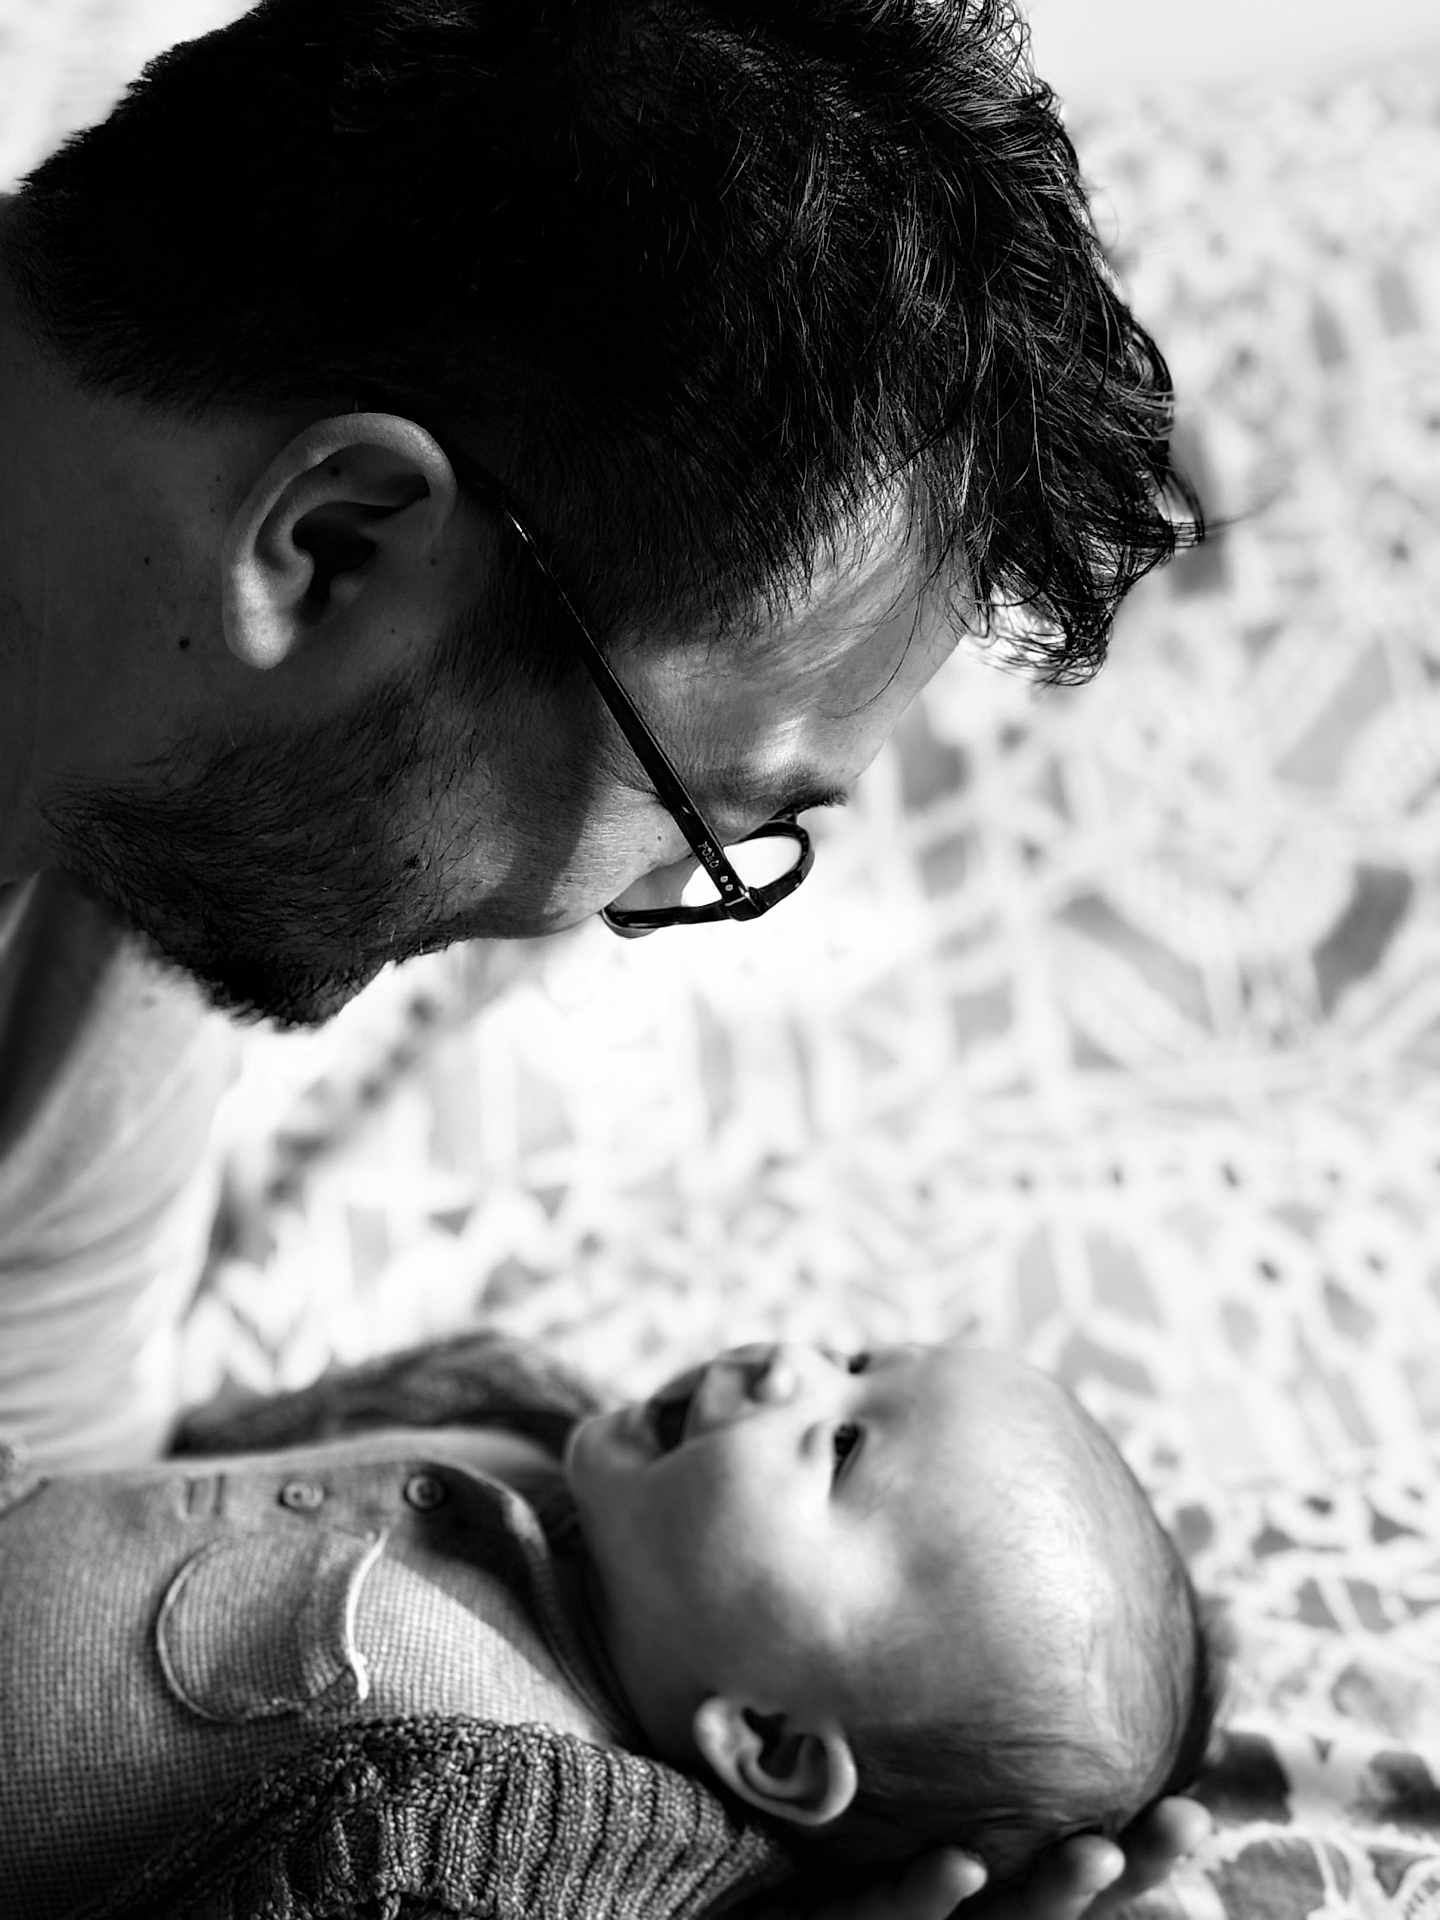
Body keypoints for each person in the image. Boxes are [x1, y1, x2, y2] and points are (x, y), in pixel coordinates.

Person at [0, 0, 1210, 1909]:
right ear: (330, 541)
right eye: (696, 801)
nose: (623, 921)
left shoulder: (129, 814)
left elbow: (47, 1507)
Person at [0, 1330, 1221, 1919]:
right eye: (857, 1354)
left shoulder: (526, 1849)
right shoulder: (554, 1459)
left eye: (844, 1445)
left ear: (773, 1743)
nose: (787, 1359)